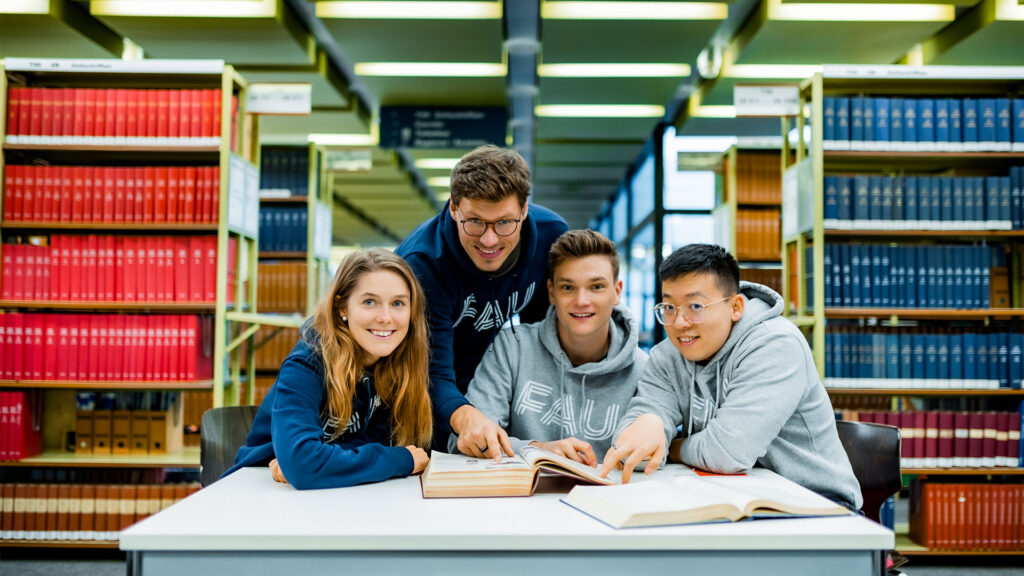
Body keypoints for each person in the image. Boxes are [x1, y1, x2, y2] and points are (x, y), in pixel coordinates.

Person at [600, 244, 861, 510]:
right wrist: (650, 422)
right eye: (669, 307)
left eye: (695, 306)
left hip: (815, 502)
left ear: (735, 306)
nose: (679, 323)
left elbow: (727, 453)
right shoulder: (668, 355)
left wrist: (673, 446)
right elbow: (630, 449)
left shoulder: (776, 345)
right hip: (730, 495)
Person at [396, 145, 568, 459]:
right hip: (426, 396)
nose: (489, 240)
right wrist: (468, 416)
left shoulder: (551, 237)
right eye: (474, 222)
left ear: (524, 209)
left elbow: (544, 339)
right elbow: (430, 372)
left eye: (505, 223)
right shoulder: (423, 264)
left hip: (494, 389)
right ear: (453, 208)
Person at [225, 249, 433, 490]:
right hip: (259, 489)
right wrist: (400, 459)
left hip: (331, 488)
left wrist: (311, 459)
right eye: (369, 302)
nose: (386, 317)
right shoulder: (307, 363)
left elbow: (376, 443)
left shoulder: (395, 363)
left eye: (398, 303)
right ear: (342, 308)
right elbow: (304, 465)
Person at [449, 229, 647, 464]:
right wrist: (537, 449)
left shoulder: (643, 369)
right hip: (523, 498)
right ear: (551, 292)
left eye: (596, 287)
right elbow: (466, 441)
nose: (582, 300)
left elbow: (656, 451)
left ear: (617, 292)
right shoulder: (513, 348)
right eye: (568, 287)